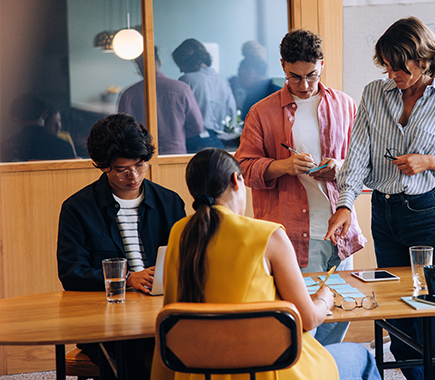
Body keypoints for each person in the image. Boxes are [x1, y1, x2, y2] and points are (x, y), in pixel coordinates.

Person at [326, 17, 435, 380]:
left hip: (428, 213)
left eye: (399, 67)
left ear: (422, 61)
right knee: (396, 315)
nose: (391, 74)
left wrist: (432, 161)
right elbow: (358, 155)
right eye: (387, 66)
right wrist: (346, 203)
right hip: (384, 211)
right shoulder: (373, 94)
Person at [150, 148, 381, 380]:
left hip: (200, 371)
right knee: (362, 356)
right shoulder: (268, 234)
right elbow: (309, 318)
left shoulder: (179, 233)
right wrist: (324, 298)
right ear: (236, 180)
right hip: (268, 371)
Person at [235, 29, 367, 346]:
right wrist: (282, 166)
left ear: (322, 64)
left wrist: (340, 167)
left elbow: (364, 164)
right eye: (295, 77)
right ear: (283, 66)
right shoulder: (261, 112)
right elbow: (242, 169)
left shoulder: (345, 105)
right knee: (301, 326)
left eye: (312, 75)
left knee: (339, 315)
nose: (305, 85)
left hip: (338, 229)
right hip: (290, 234)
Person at [56, 113, 186, 378]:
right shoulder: (78, 209)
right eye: (122, 170)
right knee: (133, 354)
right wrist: (127, 279)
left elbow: (187, 257)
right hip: (107, 318)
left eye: (141, 165)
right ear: (100, 165)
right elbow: (71, 272)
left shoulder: (169, 202)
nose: (134, 175)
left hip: (162, 309)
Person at [118, 46, 208, 155]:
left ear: (139, 68)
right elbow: (197, 126)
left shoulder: (128, 94)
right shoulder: (181, 89)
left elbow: (123, 132)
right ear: (159, 62)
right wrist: (177, 135)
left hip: (141, 155)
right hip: (175, 153)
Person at [172, 38, 235, 145]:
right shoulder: (222, 82)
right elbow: (232, 115)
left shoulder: (186, 80)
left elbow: (176, 116)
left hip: (194, 141)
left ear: (186, 60)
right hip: (218, 141)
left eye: (180, 65)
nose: (181, 70)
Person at [2, 93, 76, 162]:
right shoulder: (63, 146)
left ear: (17, 119)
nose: (59, 126)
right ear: (44, 114)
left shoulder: (5, 147)